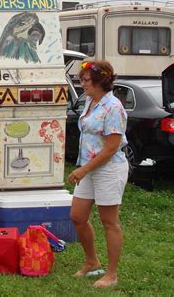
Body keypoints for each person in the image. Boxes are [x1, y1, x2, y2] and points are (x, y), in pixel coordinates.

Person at [68, 60, 128, 288]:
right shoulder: (91, 102)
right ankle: (92, 262)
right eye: (81, 80)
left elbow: (111, 148)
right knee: (77, 216)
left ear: (101, 81)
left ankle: (111, 274)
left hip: (108, 169)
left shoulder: (114, 107)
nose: (82, 84)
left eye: (86, 80)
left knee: (109, 221)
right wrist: (84, 168)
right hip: (88, 168)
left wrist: (83, 169)